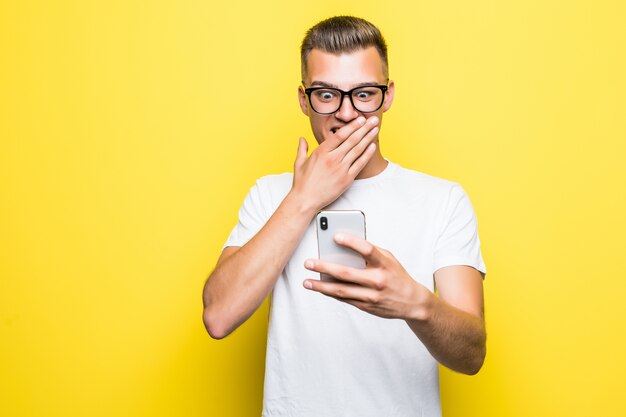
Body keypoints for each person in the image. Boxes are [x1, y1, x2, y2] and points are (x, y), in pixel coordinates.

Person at [202, 15, 487, 417]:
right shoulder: (270, 195)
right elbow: (218, 316)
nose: (347, 113)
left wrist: (415, 303)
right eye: (326, 95)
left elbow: (472, 354)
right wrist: (305, 199)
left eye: (364, 94)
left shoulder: (443, 200)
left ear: (387, 96)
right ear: (304, 99)